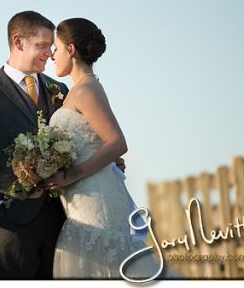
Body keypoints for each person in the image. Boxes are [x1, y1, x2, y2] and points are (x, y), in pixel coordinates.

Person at [46, 18, 178, 279]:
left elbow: (117, 142)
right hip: (80, 201)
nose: (52, 55)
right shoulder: (76, 91)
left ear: (71, 50)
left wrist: (71, 175)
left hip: (97, 200)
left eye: (57, 48)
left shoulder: (86, 90)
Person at [0, 11, 69, 278]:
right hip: (15, 222)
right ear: (19, 42)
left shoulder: (61, 91)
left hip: (64, 217)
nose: (50, 53)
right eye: (42, 46)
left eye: (51, 46)